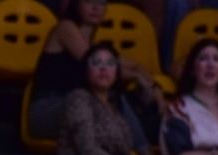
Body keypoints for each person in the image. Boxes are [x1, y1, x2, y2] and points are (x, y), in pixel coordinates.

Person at [58, 42, 190, 155]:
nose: (104, 68)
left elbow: (126, 151)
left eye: (110, 63)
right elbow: (88, 150)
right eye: (96, 63)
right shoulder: (79, 99)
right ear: (85, 70)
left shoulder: (116, 106)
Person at [27, 0, 161, 141]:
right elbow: (101, 67)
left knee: (115, 101)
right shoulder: (65, 28)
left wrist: (154, 88)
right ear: (76, 4)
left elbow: (133, 65)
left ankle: (150, 138)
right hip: (48, 109)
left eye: (101, 3)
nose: (96, 8)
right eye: (89, 1)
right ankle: (143, 149)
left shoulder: (94, 47)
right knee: (106, 100)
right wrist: (136, 76)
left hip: (81, 112)